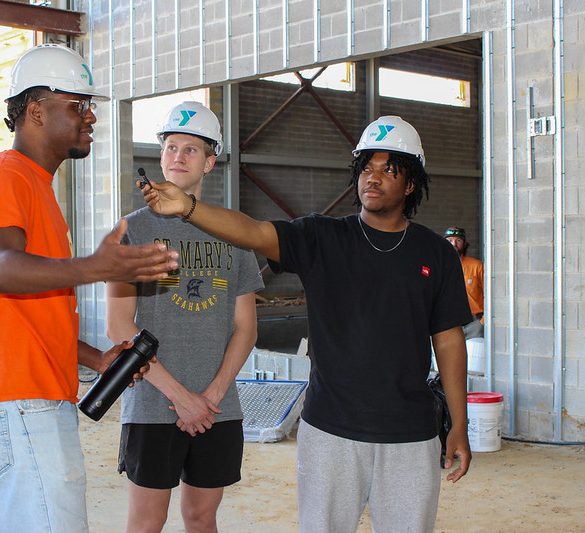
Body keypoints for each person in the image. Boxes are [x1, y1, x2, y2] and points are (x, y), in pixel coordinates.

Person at [140, 115, 472, 533]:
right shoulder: (323, 238)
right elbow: (253, 232)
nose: (373, 177)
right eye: (366, 167)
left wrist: (459, 423)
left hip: (410, 434)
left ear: (410, 184)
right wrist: (188, 208)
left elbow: (449, 341)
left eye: (389, 169)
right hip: (330, 431)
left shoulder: (436, 254)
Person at [0, 44, 179, 533]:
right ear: (36, 110)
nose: (90, 116)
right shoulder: (8, 175)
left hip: (25, 400)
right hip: (18, 402)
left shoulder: (34, 186)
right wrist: (95, 266)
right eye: (78, 105)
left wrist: (98, 360)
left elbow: (28, 314)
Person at [106, 101, 264, 533]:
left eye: (191, 149)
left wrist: (211, 396)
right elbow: (119, 326)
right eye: (171, 146)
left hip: (217, 409)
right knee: (146, 522)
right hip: (152, 405)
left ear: (210, 162)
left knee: (201, 517)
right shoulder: (130, 232)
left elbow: (246, 328)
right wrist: (182, 398)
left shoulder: (233, 232)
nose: (178, 156)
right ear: (160, 155)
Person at [444, 227, 484, 340]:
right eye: (450, 240)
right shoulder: (440, 267)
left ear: (465, 244)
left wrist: (483, 321)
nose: (454, 244)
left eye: (458, 240)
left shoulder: (477, 266)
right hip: (449, 323)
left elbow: (490, 295)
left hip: (475, 323)